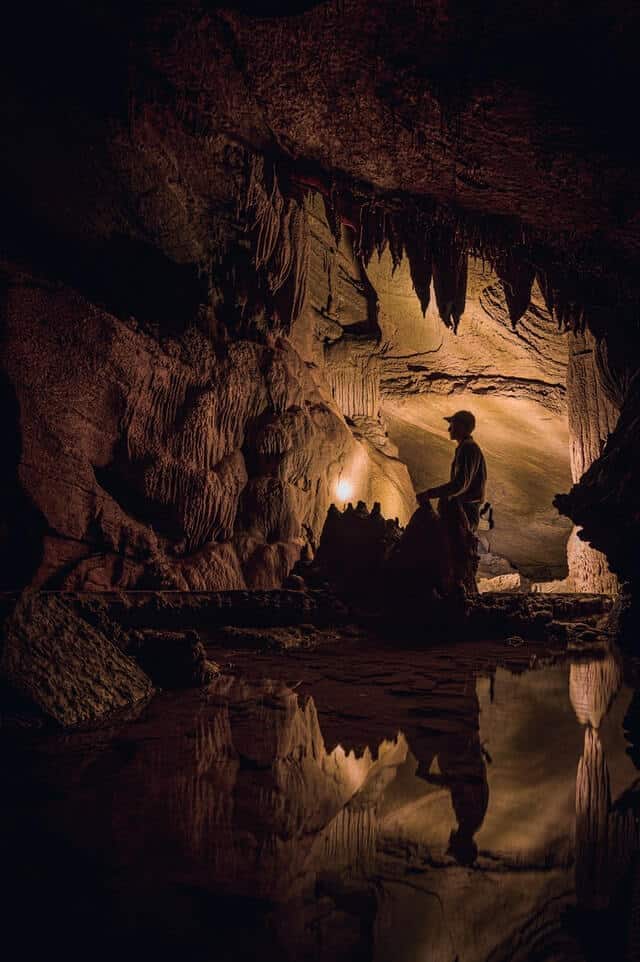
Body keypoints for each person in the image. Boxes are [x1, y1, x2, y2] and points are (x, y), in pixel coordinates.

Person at [418, 409, 487, 532]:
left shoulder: (468, 448)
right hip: (463, 510)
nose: (449, 429)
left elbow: (460, 485)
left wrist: (429, 494)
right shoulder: (466, 448)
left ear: (461, 427)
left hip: (465, 512)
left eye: (452, 425)